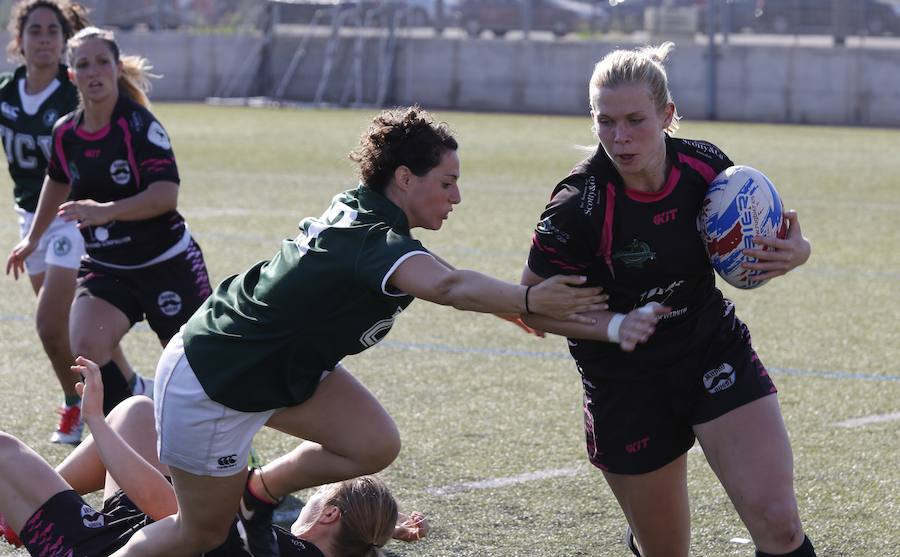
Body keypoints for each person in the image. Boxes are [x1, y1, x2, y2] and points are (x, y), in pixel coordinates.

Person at [109, 105, 607, 557]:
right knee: (198, 534)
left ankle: (257, 492)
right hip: (212, 385)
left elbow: (428, 267)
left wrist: (504, 309)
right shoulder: (375, 240)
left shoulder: (368, 213)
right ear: (406, 177)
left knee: (372, 442)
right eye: (447, 181)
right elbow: (449, 286)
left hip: (258, 366)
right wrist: (526, 299)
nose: (457, 195)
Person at [520, 43, 815, 557]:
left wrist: (796, 251)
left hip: (709, 348)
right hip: (625, 380)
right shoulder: (577, 205)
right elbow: (534, 305)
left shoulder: (708, 170)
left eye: (636, 119)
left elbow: (763, 239)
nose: (620, 137)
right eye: (605, 121)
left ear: (667, 115)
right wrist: (616, 324)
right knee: (666, 551)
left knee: (781, 526)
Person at [0, 357, 430, 556]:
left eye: (323, 494)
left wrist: (93, 417)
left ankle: (17, 506)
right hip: (143, 529)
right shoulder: (322, 546)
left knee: (2, 451)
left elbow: (167, 510)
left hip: (102, 547)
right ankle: (14, 512)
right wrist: (386, 528)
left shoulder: (268, 543)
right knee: (139, 412)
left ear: (331, 517)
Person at [5, 26, 212, 417]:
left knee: (194, 366)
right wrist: (33, 238)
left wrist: (105, 211)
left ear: (117, 68)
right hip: (107, 266)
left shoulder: (138, 125)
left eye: (102, 62)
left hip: (166, 263)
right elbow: (58, 177)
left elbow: (165, 196)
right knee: (85, 346)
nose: (93, 71)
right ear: (72, 75)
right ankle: (131, 435)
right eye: (83, 64)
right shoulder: (66, 131)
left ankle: (227, 448)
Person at [1, 0, 138, 445]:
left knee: (49, 323)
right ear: (19, 40)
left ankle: (77, 404)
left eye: (52, 32)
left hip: (75, 218)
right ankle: (134, 390)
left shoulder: (72, 88)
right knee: (84, 328)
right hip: (32, 217)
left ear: (63, 41)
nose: (44, 39)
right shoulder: (6, 91)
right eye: (35, 31)